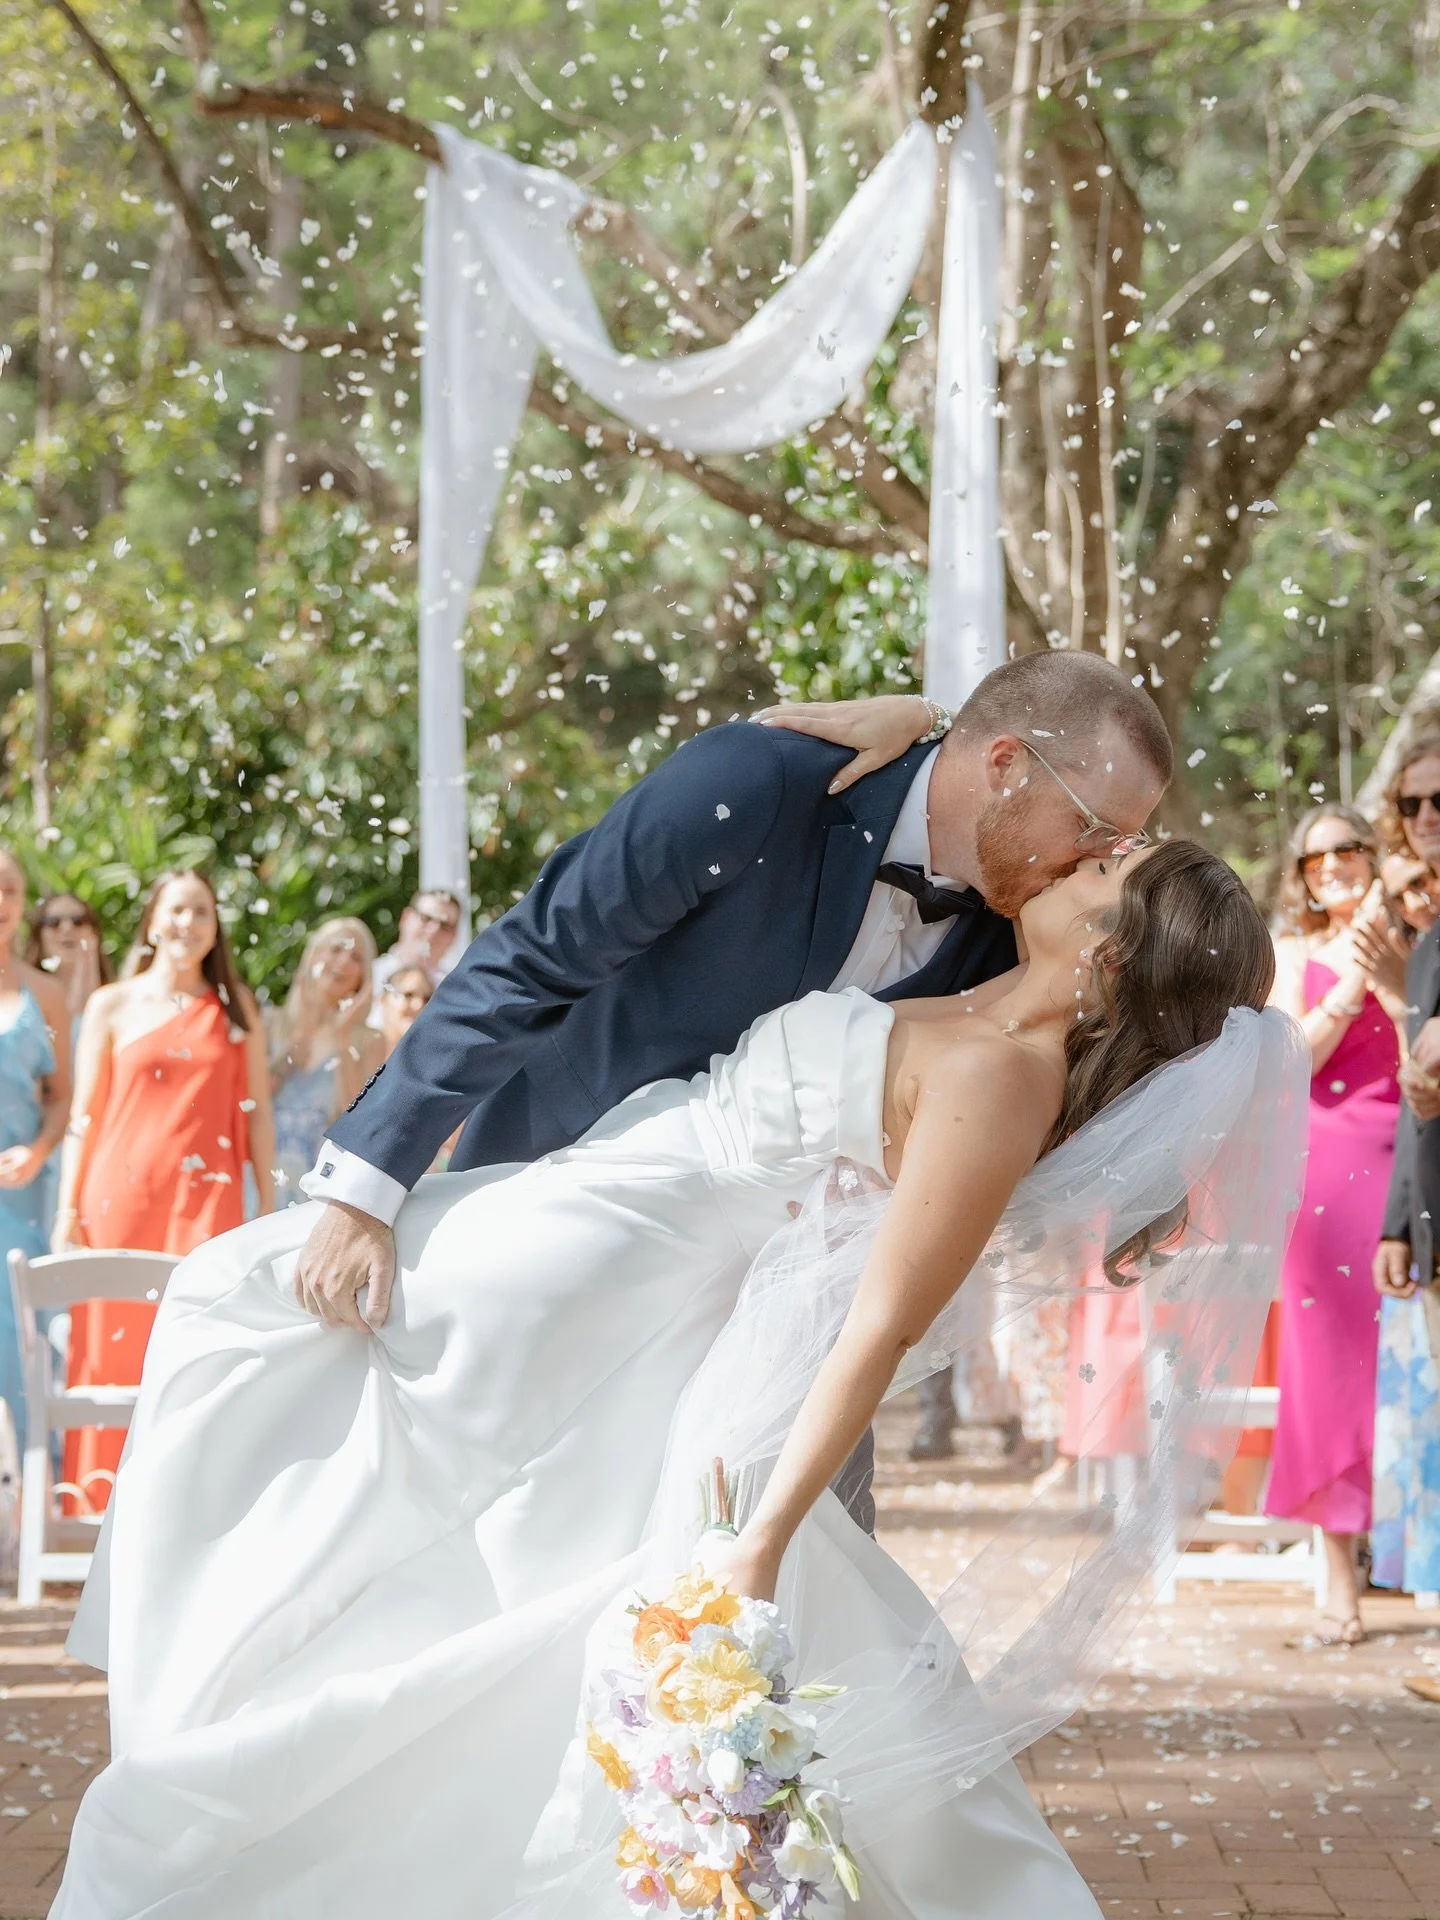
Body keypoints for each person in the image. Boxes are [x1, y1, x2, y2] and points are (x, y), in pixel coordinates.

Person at [52, 840, 1307, 1918]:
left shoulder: (1004, 1074)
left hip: (667, 1266)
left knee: (248, 1318)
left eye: (1114, 871)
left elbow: (878, 1327)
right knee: (358, 1426)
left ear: (1108, 959)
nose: (1091, 851)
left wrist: (761, 1539)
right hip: (641, 1214)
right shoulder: (989, 1001)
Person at [297, 657, 1172, 1527]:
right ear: (1007, 764)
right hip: (565, 1207)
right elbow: (535, 955)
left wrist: (932, 711)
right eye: (1096, 827)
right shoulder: (761, 781)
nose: (1101, 860)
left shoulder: (1026, 932)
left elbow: (1192, 925)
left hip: (775, 1315)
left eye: (1120, 845)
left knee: (784, 1584)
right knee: (476, 1520)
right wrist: (367, 1188)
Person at [53, 870, 276, 1513]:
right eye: (177, 910)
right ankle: (93, 1512)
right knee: (110, 1347)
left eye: (201, 911)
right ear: (153, 921)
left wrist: (265, 1203)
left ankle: (181, 1514)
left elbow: (256, 1110)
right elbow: (83, 1114)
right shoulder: (111, 1005)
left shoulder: (236, 1009)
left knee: (194, 1351)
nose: (188, 923)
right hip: (117, 1201)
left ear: (215, 928)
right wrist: (69, 1207)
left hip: (206, 1202)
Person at [1268, 804, 1409, 1645]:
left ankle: (1410, 1557)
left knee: (1413, 1359)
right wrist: (1351, 986)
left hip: (1412, 1160)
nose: (1335, 868)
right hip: (1326, 1178)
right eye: (1317, 860)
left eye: (1350, 851)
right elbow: (1293, 1058)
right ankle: (1337, 1582)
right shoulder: (1295, 956)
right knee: (1328, 1372)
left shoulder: (1416, 938)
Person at [1373, 735, 1440, 1619]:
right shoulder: (1426, 947)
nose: (1429, 820)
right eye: (1415, 805)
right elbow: (1414, 1093)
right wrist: (1398, 1221)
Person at [0, 853, 71, 1451]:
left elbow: (61, 1096)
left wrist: (37, 1149)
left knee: (22, 1335)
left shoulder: (45, 993)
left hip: (20, 1192)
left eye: (10, 889)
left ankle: (36, 1499)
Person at [267, 918, 380, 1206]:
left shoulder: (371, 1041)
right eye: (336, 949)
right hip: (265, 1182)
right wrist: (301, 1039)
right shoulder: (270, 1023)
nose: (343, 961)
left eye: (356, 957)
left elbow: (357, 1119)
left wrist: (343, 1039)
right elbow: (253, 1099)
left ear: (363, 977)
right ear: (314, 956)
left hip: (319, 1189)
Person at [26, 891, 111, 1234]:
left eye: (78, 921)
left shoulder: (119, 1000)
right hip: (38, 1145)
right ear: (39, 934)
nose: (67, 929)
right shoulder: (23, 1003)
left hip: (97, 1147)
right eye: (54, 921)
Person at [367, 886, 462, 1026]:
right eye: (426, 918)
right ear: (405, 918)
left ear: (454, 937)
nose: (433, 930)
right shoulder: (367, 977)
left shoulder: (457, 997)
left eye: (445, 925)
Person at [375, 962, 435, 1057]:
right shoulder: (356, 1051)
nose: (419, 1005)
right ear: (383, 999)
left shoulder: (436, 1061)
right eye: (409, 995)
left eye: (427, 999)